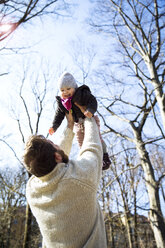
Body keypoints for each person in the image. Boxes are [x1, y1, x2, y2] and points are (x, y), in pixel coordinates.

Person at [23, 110, 107, 248]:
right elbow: (92, 149)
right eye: (54, 144)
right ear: (57, 156)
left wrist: (70, 127)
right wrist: (89, 119)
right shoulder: (78, 179)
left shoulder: (32, 191)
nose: (57, 145)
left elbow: (54, 162)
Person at [49, 71, 111, 170]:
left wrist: (90, 110)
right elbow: (59, 115)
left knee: (96, 137)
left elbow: (92, 101)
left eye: (68, 89)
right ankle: (86, 159)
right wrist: (54, 126)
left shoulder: (81, 93)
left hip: (89, 119)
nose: (65, 92)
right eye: (62, 90)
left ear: (74, 87)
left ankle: (104, 156)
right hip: (78, 124)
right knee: (81, 141)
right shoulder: (62, 102)